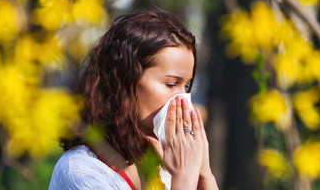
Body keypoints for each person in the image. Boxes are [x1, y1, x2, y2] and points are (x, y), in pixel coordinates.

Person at [49, 10, 218, 190]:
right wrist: (183, 179)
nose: (184, 101)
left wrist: (204, 175)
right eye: (170, 84)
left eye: (186, 86)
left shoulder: (163, 165)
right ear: (125, 81)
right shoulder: (81, 172)